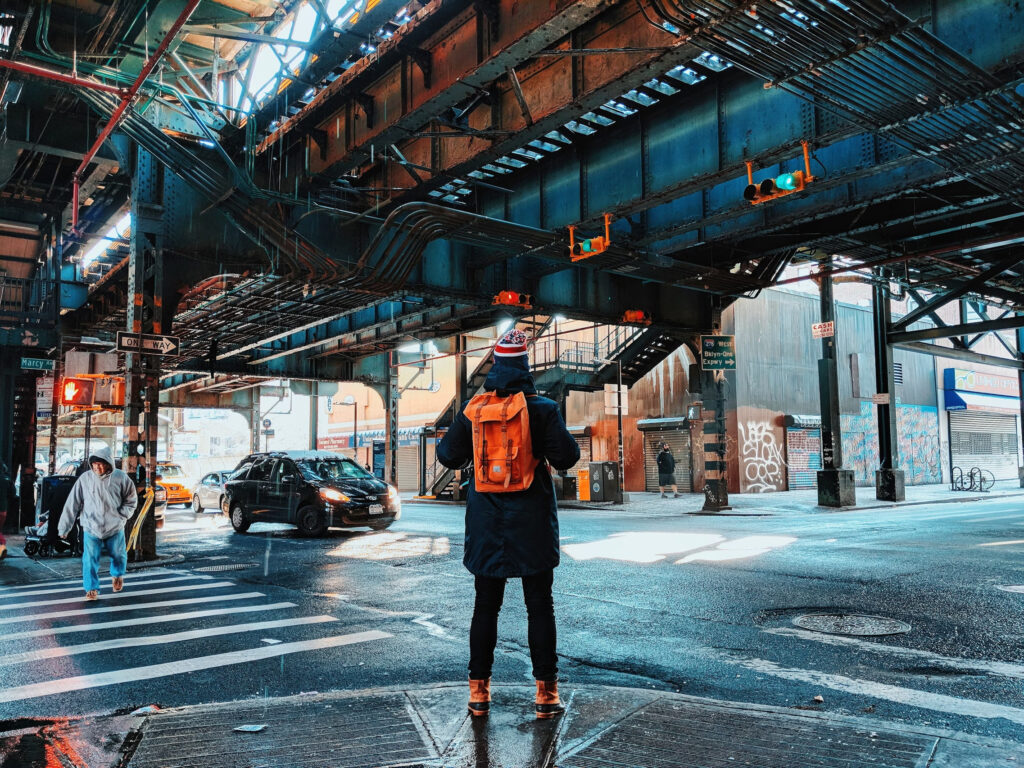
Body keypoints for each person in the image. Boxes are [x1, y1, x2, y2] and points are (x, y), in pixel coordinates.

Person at [437, 328, 580, 720]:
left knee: (485, 607)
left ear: (496, 366)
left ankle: (479, 693)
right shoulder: (543, 409)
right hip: (532, 523)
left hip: (487, 523)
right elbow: (567, 457)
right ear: (526, 367)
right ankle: (546, 694)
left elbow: (447, 456)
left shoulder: (474, 410)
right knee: (540, 608)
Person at [58, 445, 138, 600]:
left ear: (109, 464)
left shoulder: (121, 477)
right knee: (89, 559)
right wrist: (64, 527)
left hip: (114, 526)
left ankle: (117, 575)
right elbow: (72, 504)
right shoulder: (85, 479)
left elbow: (131, 500)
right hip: (91, 526)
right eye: (94, 464)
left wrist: (122, 515)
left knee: (119, 555)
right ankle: (91, 588)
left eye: (100, 464)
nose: (97, 467)